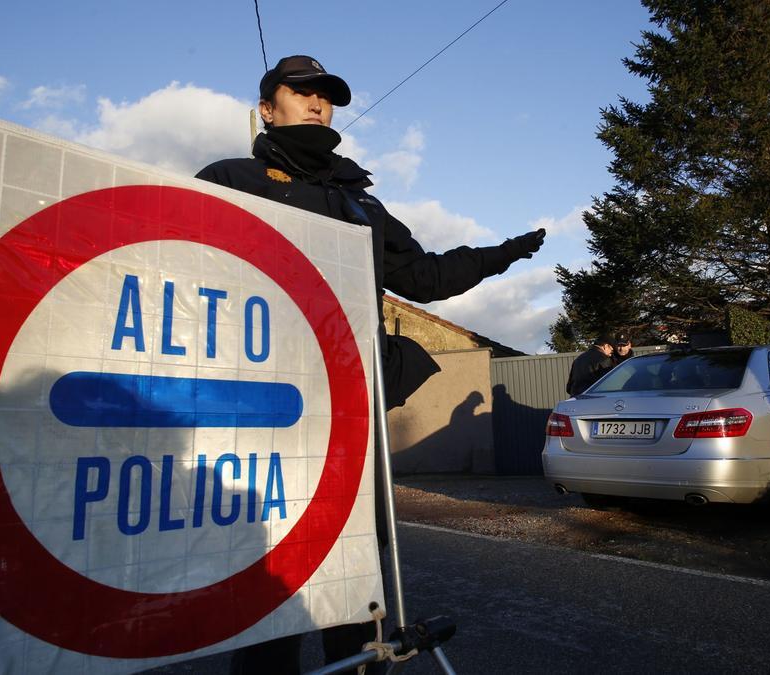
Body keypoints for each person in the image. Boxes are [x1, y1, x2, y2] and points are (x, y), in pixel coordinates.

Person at [196, 55, 545, 674]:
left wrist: (498, 256)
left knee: (356, 565)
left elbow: (423, 276)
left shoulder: (356, 202)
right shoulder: (229, 179)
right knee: (268, 565)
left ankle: (360, 663)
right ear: (266, 108)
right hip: (261, 404)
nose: (316, 103)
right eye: (300, 91)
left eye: (325, 95)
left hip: (349, 409)